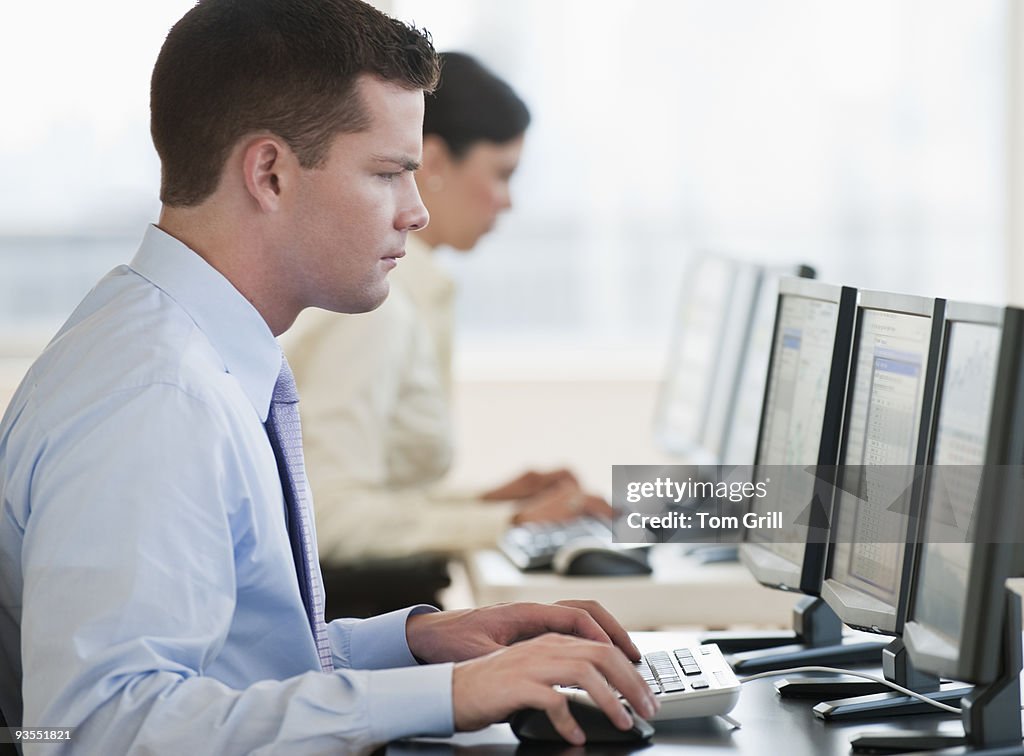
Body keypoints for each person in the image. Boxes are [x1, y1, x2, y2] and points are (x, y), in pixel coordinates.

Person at [0, 1, 657, 753]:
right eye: (388, 174)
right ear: (270, 173)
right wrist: (451, 694)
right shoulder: (157, 399)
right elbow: (95, 730)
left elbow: (239, 670)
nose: (414, 212)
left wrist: (420, 643)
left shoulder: (184, 348)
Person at [283, 52, 609, 569]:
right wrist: (507, 526)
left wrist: (492, 502)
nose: (508, 202)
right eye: (501, 174)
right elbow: (327, 515)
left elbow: (384, 492)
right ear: (432, 164)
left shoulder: (415, 294)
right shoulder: (372, 308)